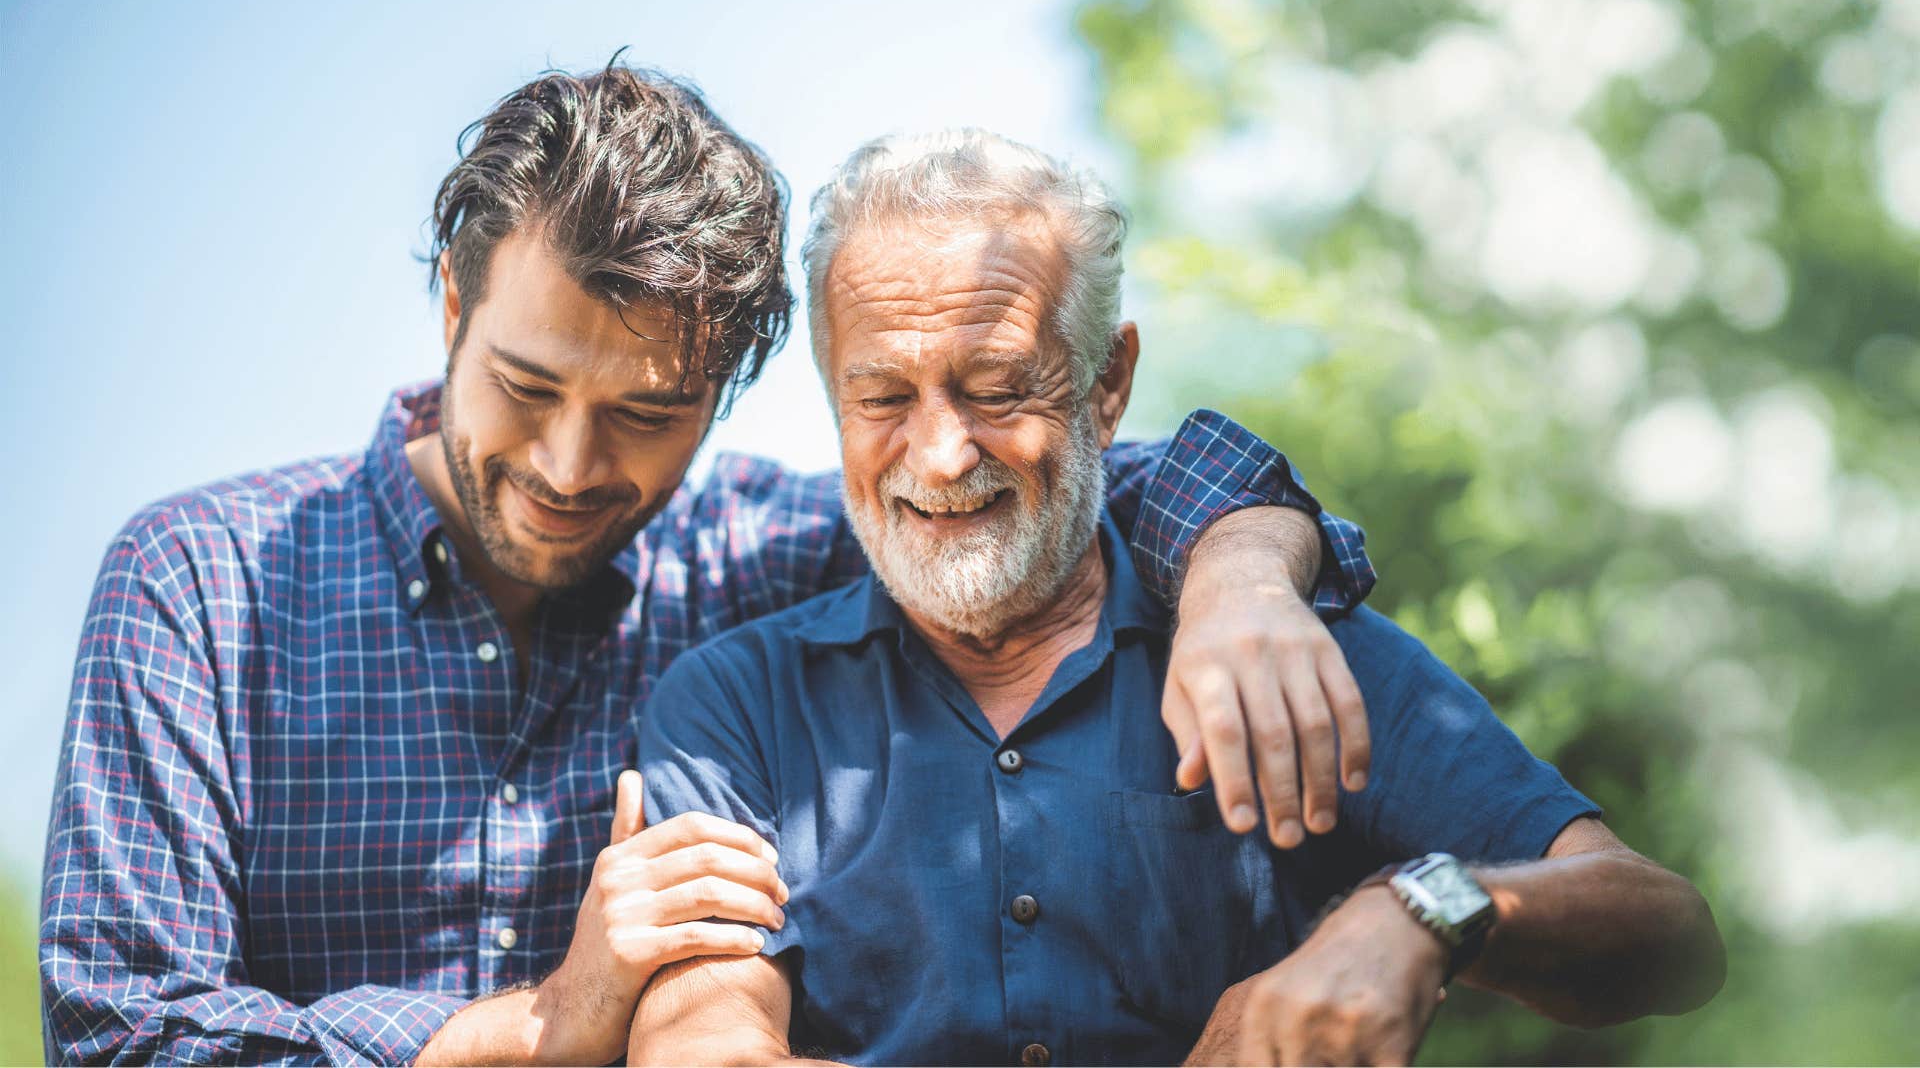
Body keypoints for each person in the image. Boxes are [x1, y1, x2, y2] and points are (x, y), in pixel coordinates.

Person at [39, 67, 1381, 1066]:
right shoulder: (197, 586)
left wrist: (1244, 577)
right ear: (454, 305)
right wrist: (534, 1027)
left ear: (727, 393)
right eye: (524, 385)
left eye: (645, 414)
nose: (570, 466)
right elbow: (118, 1037)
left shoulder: (764, 553)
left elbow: (1056, 482)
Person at [630, 129, 1728, 1067]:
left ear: (1107, 384)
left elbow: (1668, 933)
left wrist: (1421, 910)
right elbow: (699, 1040)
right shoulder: (736, 702)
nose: (942, 454)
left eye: (998, 388)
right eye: (881, 396)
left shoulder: (1279, 648)